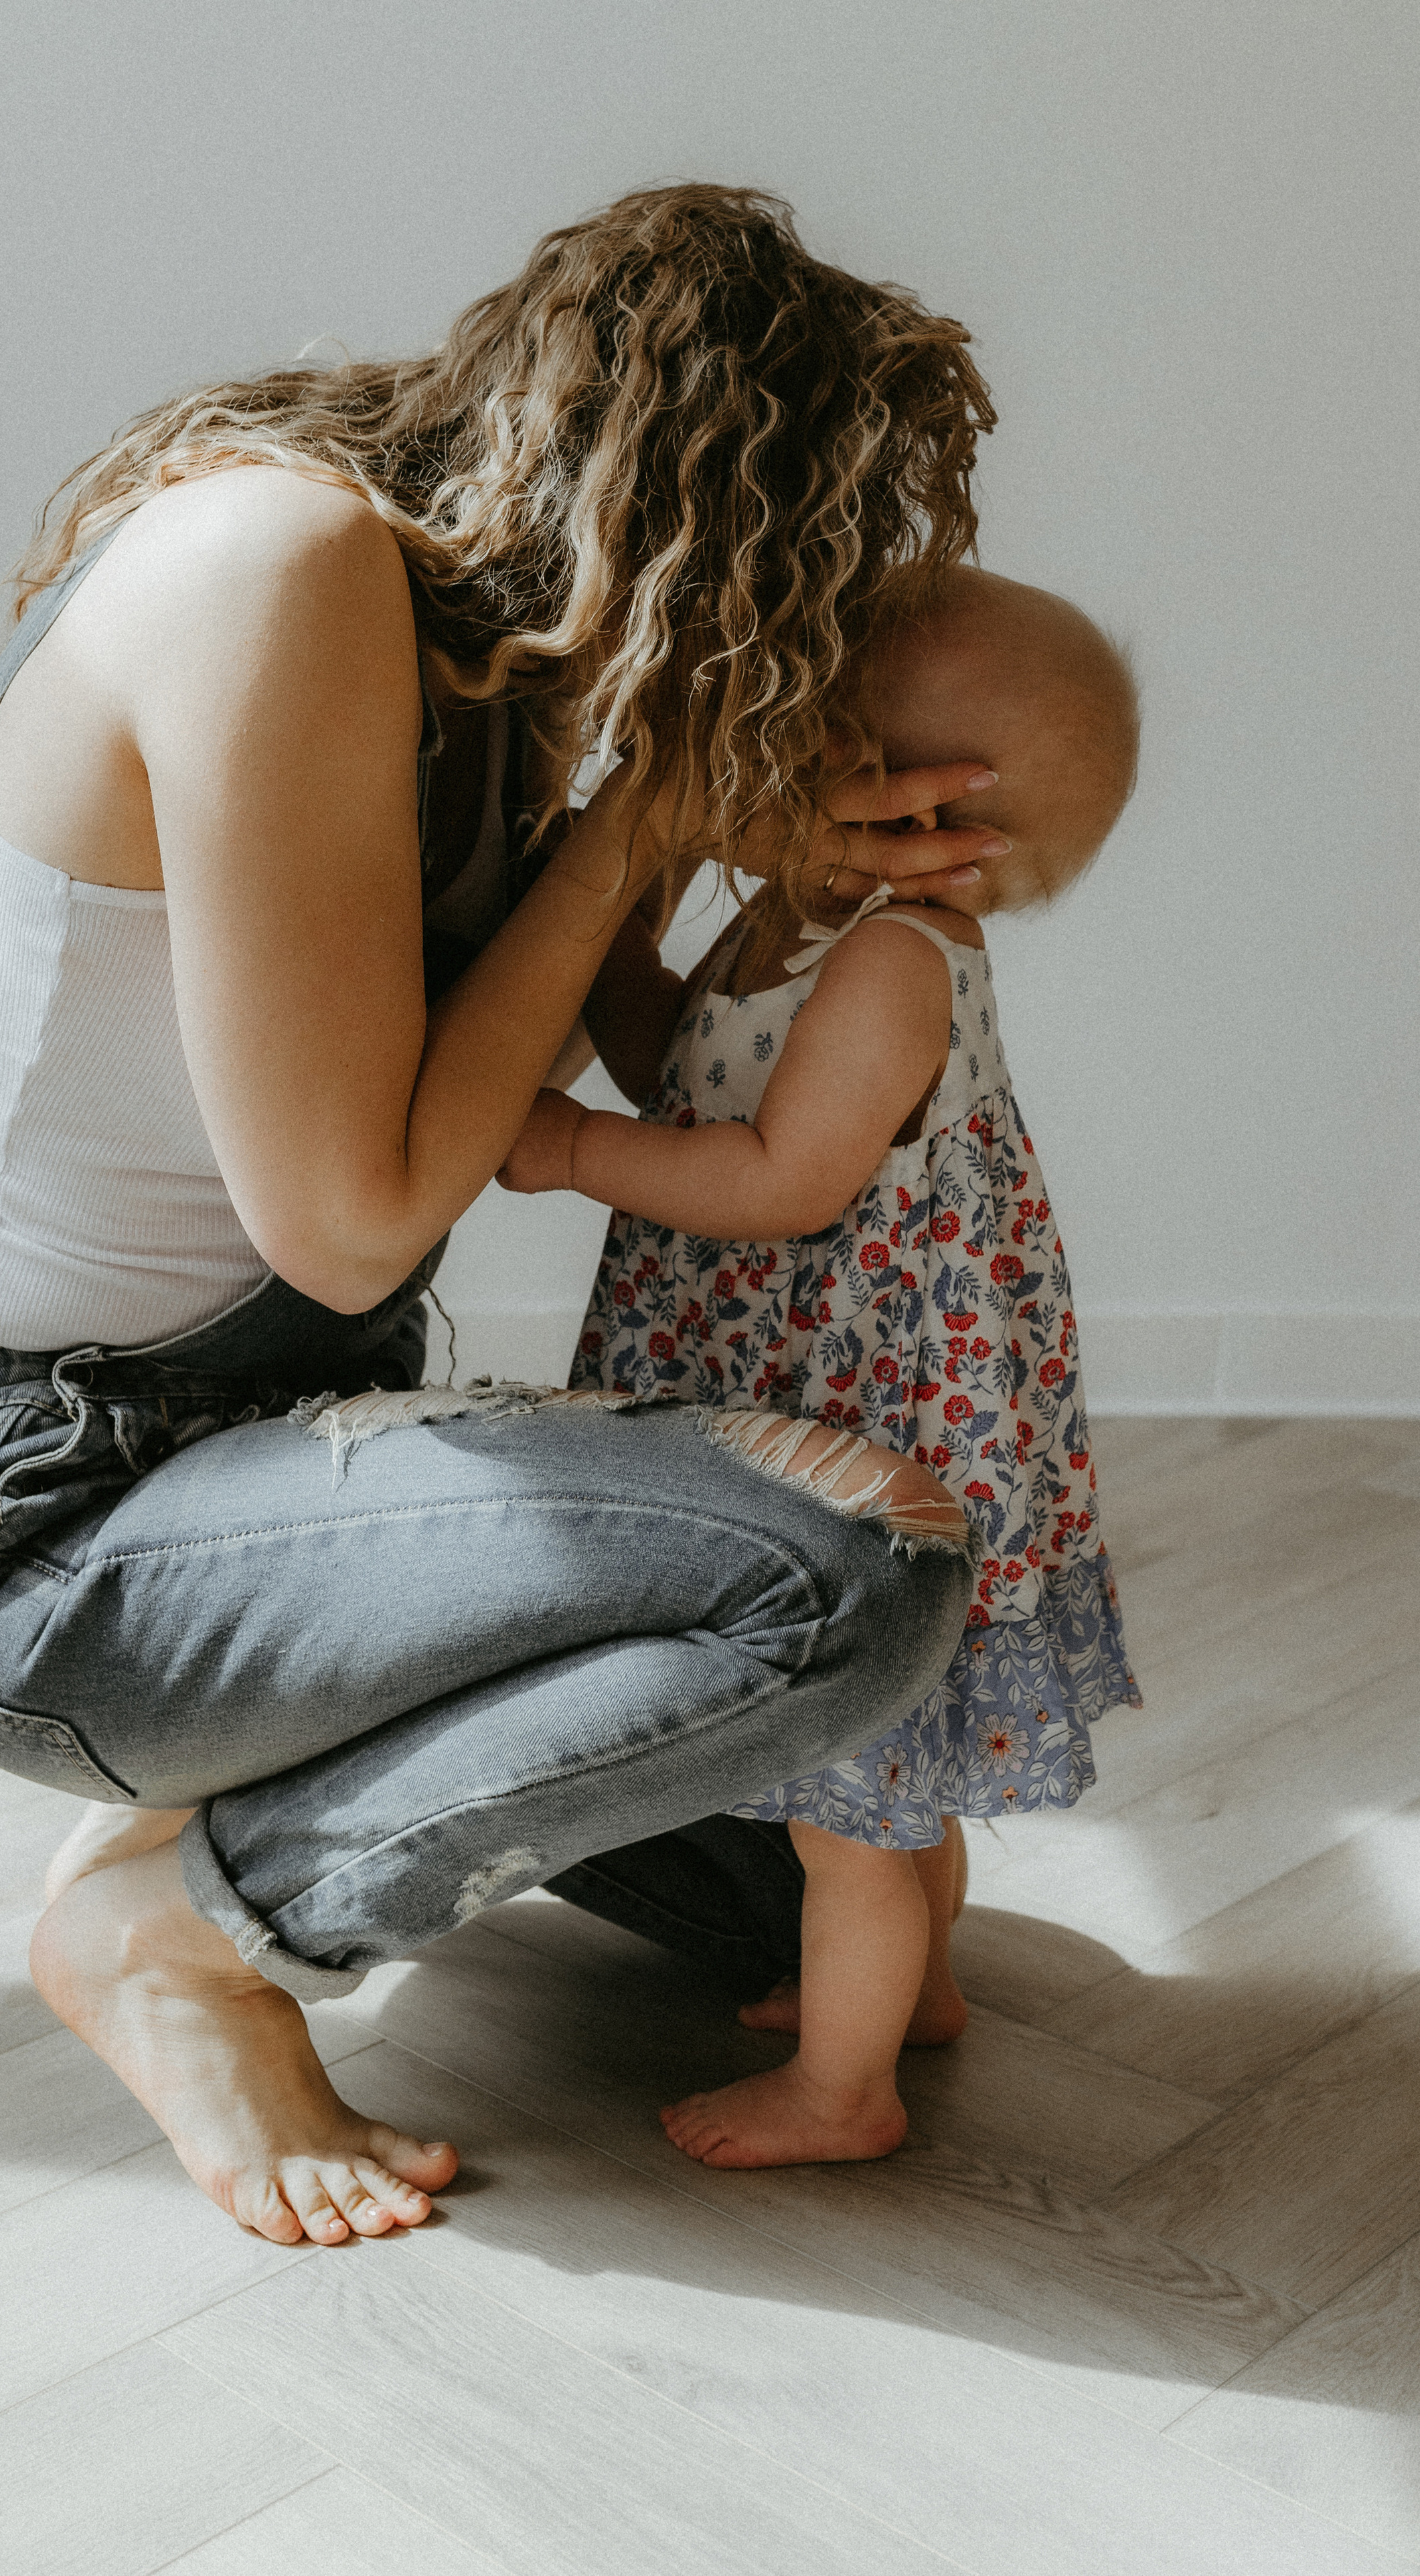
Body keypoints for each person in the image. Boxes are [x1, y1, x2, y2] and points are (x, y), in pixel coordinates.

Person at [0, 185, 1011, 2249]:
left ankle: (230, 1795)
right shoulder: (272, 566)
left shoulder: (487, 660)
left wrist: (796, 880)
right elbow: (353, 1229)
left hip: (267, 1453)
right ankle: (190, 1927)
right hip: (38, 1519)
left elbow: (637, 1069)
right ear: (703, 538)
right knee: (857, 1582)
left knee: (827, 1880)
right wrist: (638, 820)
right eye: (799, 595)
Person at [497, 568, 1142, 2166]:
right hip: (811, 1387)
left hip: (858, 1426)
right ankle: (906, 1997)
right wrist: (588, 931)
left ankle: (842, 2089)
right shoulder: (792, 922)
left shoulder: (889, 962)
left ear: (924, 816)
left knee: (845, 1790)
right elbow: (688, 1061)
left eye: (795, 720)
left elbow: (782, 1178)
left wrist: (576, 1147)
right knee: (886, 1775)